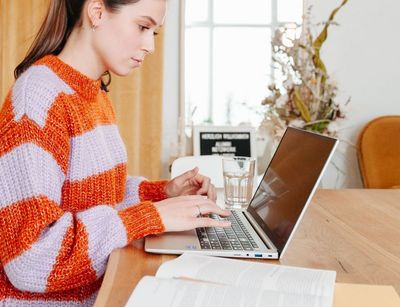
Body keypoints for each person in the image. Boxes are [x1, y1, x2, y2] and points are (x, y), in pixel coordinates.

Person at [0, 0, 231, 305]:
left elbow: (97, 198)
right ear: (97, 12)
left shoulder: (93, 94)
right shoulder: (39, 97)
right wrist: (150, 216)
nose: (149, 46)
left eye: (155, 33)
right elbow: (29, 258)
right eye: (142, 27)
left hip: (102, 292)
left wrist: (163, 193)